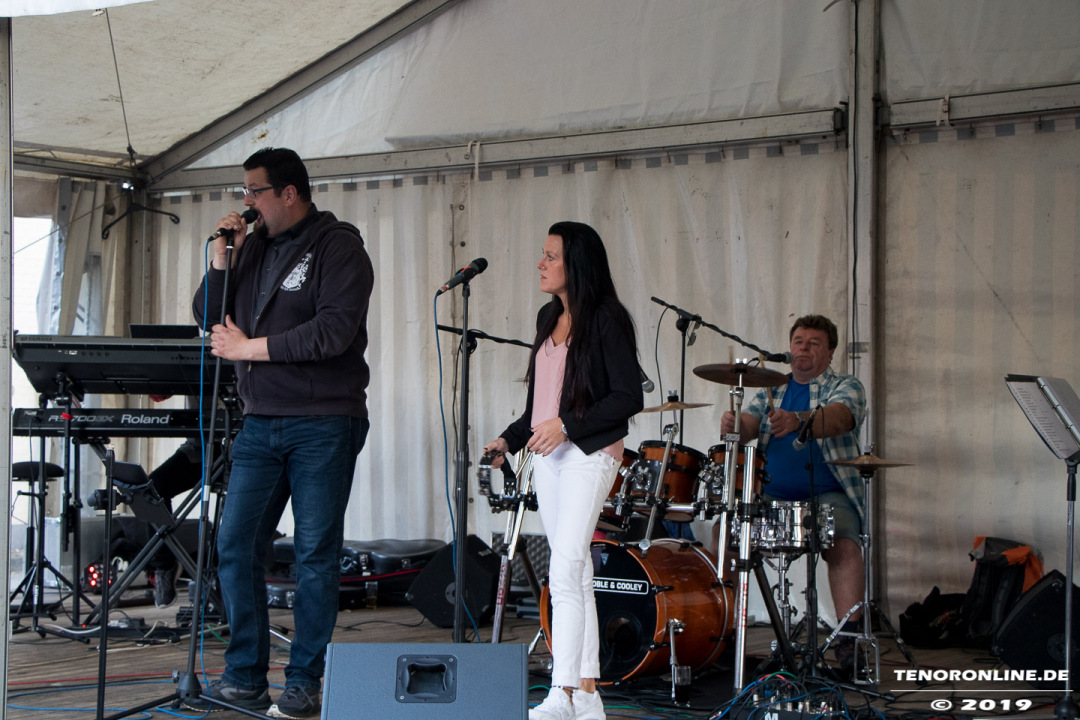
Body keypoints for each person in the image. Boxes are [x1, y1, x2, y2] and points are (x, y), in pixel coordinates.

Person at [190, 147, 373, 719]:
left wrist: (250, 349)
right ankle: (244, 676)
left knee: (316, 553)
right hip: (260, 422)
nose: (246, 202)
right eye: (243, 192)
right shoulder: (250, 248)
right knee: (235, 544)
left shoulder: (338, 247)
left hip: (324, 421)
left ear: (288, 193)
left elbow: (332, 331)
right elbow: (208, 317)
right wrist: (220, 261)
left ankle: (304, 681)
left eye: (254, 191)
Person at [484, 221, 643, 720]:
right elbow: (539, 407)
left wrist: (569, 426)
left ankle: (562, 691)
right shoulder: (547, 316)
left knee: (567, 566)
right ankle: (587, 696)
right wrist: (508, 440)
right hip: (548, 457)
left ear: (577, 263)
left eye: (551, 256)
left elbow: (627, 397)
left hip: (590, 453)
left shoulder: (608, 319)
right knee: (574, 573)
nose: (541, 263)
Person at [720, 314, 866, 671]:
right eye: (799, 341)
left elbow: (840, 416)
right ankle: (721, 632)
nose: (804, 348)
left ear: (830, 352)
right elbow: (750, 423)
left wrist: (799, 420)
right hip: (770, 497)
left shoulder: (846, 385)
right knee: (725, 535)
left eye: (814, 343)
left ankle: (848, 640)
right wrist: (735, 424)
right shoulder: (771, 388)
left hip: (827, 495)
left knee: (844, 543)